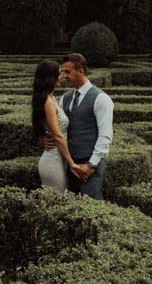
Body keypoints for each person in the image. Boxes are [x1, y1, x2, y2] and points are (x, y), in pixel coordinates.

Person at [44, 52, 114, 200]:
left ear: (81, 71)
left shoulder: (101, 99)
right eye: (63, 72)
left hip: (88, 164)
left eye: (68, 72)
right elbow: (54, 125)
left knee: (92, 206)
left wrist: (91, 165)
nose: (64, 76)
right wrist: (43, 138)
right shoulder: (65, 98)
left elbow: (105, 135)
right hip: (68, 164)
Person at [31, 60, 78, 190]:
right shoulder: (48, 102)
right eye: (59, 74)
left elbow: (42, 125)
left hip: (58, 159)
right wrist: (71, 163)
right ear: (49, 78)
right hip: (53, 162)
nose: (62, 76)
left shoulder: (51, 99)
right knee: (57, 201)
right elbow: (57, 135)